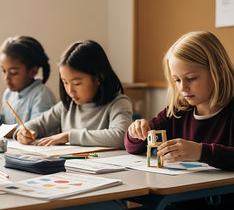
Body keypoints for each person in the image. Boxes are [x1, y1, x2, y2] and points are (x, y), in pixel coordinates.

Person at [125, 31, 234, 208]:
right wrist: (136, 133)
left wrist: (201, 152)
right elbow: (133, 147)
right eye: (177, 80)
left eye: (191, 78)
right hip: (179, 200)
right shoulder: (177, 111)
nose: (183, 87)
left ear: (219, 72)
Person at [16, 40, 133, 148]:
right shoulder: (66, 106)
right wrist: (22, 132)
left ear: (99, 77)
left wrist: (69, 136)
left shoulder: (118, 103)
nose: (70, 91)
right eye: (65, 82)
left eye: (77, 83)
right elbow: (36, 124)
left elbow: (121, 136)